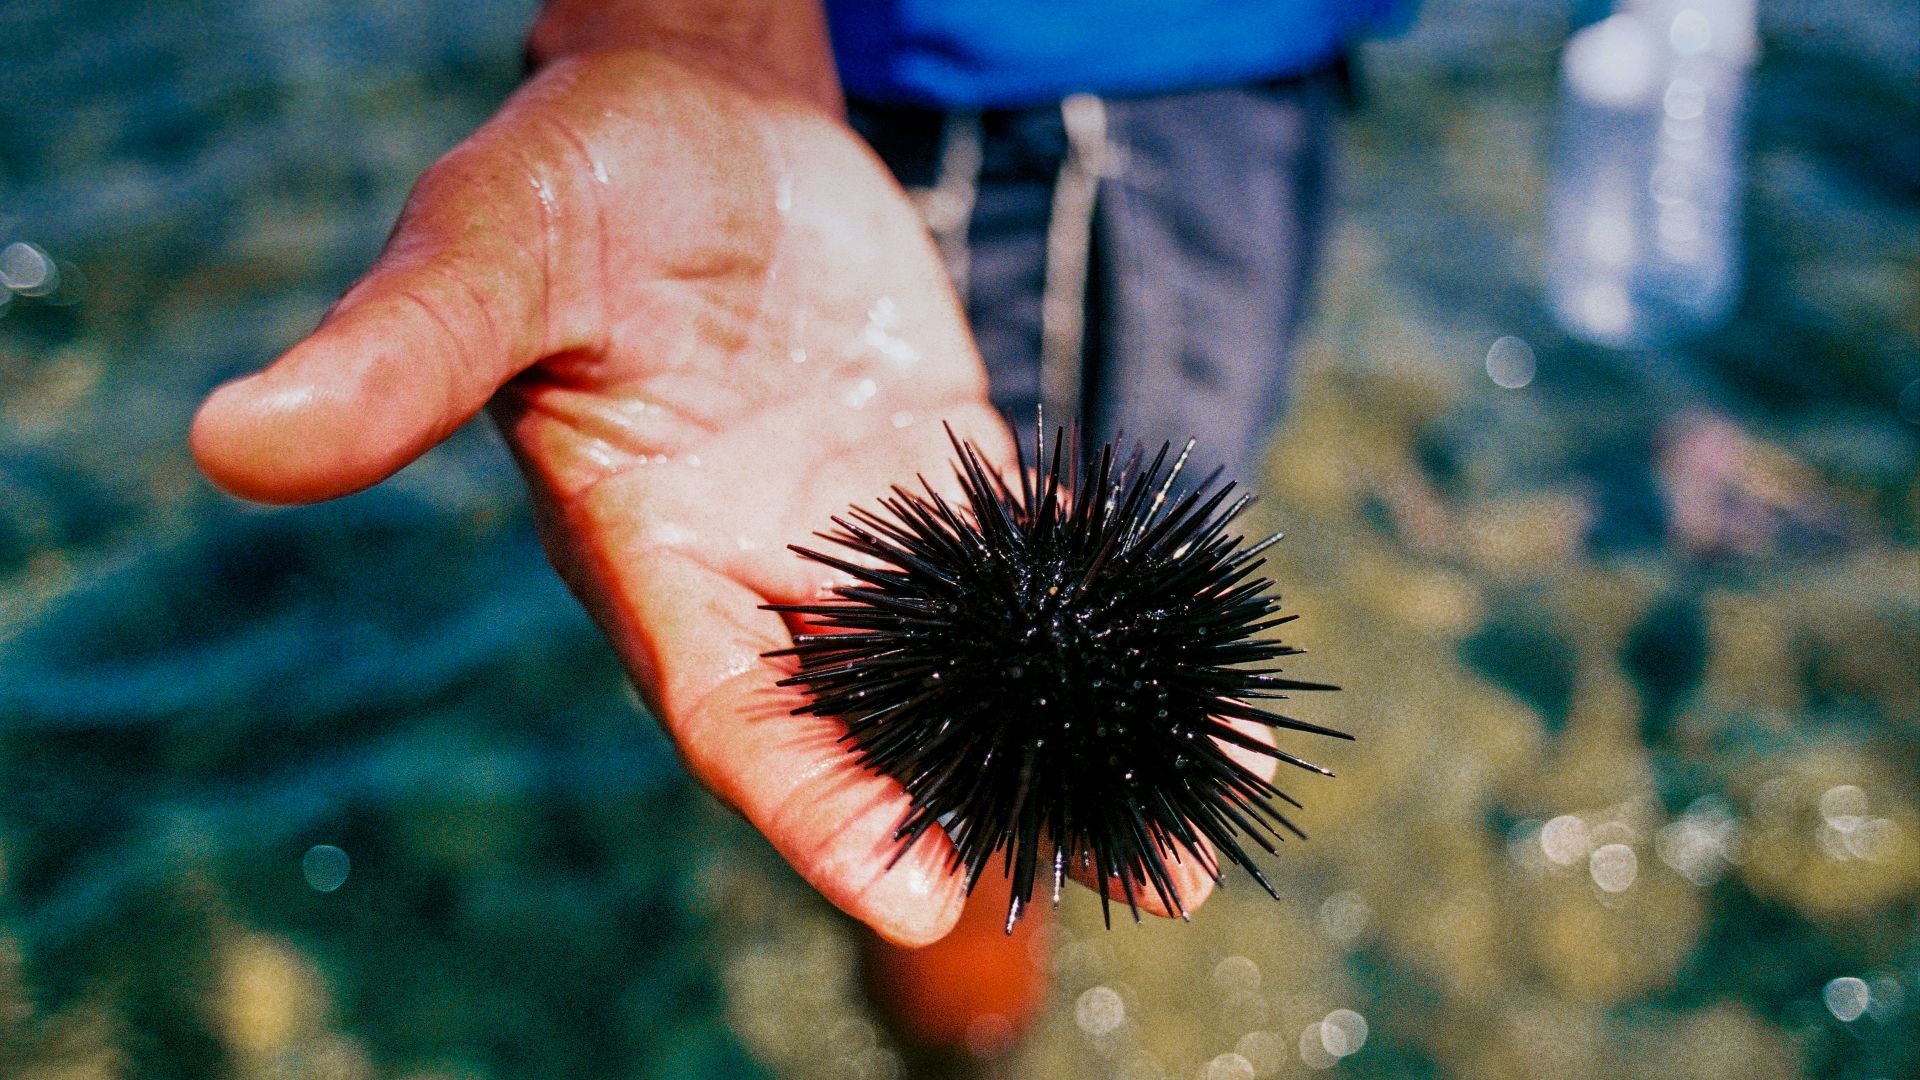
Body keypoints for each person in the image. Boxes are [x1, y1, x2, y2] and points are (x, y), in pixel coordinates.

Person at [189, 0, 1398, 1063]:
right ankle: (964, 1050)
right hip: (1023, 81)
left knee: (1049, 651)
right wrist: (691, 33)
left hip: (1261, 50)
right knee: (954, 815)